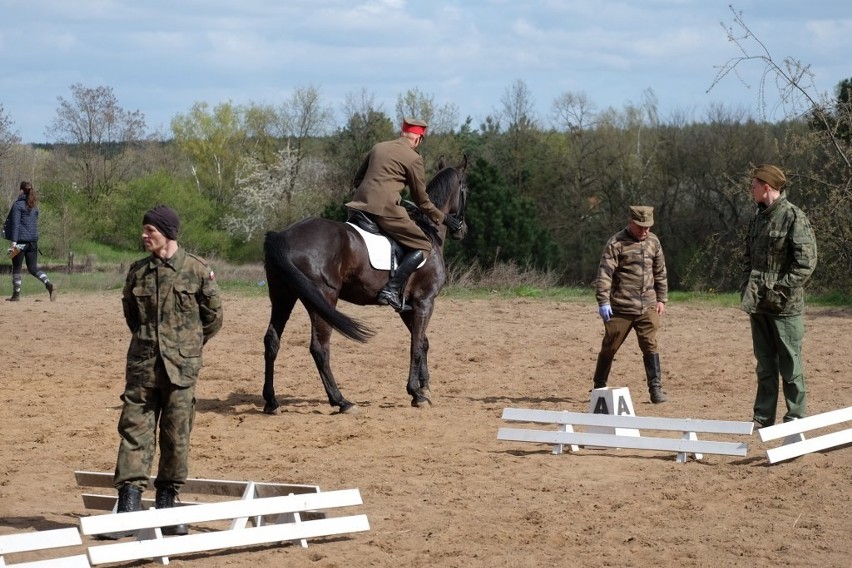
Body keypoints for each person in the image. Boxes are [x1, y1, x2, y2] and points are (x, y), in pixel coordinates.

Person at [107, 205, 223, 538]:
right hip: (143, 366)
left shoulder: (197, 271)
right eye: (144, 230)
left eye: (150, 231)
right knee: (134, 434)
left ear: (167, 233)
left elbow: (213, 319)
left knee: (176, 438)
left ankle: (167, 508)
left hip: (181, 370)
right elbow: (132, 316)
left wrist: (185, 347)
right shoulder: (137, 272)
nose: (144, 236)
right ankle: (128, 509)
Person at [346, 117, 463, 312]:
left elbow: (357, 180)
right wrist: (444, 218)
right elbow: (423, 201)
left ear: (403, 132)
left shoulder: (378, 147)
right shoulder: (414, 158)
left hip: (356, 206)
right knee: (423, 244)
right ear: (419, 139)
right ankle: (391, 290)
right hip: (384, 211)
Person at [741, 165, 817, 428]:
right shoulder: (757, 219)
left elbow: (806, 263)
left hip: (785, 308)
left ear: (767, 187)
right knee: (764, 366)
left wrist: (780, 289)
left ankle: (795, 418)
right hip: (759, 305)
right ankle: (763, 418)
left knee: (790, 366)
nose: (751, 189)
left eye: (754, 184)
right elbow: (747, 259)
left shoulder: (794, 217)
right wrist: (747, 287)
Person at [593, 205, 669, 403]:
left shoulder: (654, 242)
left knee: (650, 345)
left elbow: (660, 272)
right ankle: (599, 386)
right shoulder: (616, 243)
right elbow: (604, 274)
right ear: (631, 223)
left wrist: (662, 299)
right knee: (610, 346)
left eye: (648, 228)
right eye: (640, 227)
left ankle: (656, 389)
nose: (644, 231)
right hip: (621, 307)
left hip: (648, 306)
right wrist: (603, 301)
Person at [5, 181, 56, 302]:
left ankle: (16, 295)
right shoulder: (33, 206)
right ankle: (48, 283)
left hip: (20, 242)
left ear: (21, 191)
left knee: (16, 267)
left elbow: (15, 225)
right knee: (33, 268)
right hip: (33, 242)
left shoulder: (18, 205)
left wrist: (13, 243)